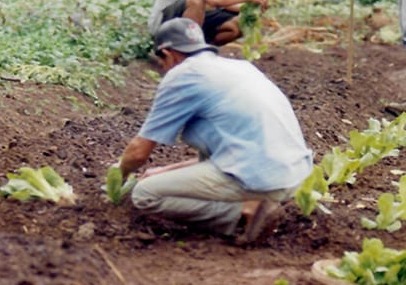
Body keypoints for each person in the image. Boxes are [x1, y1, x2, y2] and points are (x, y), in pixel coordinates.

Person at [117, 17, 313, 245]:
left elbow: (139, 152)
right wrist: (165, 170)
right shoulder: (239, 67)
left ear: (168, 54)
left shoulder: (182, 76)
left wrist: (118, 176)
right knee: (158, 179)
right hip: (292, 173)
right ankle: (254, 203)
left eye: (161, 62)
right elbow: (224, 155)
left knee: (144, 194)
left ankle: (242, 213)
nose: (163, 69)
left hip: (260, 179)